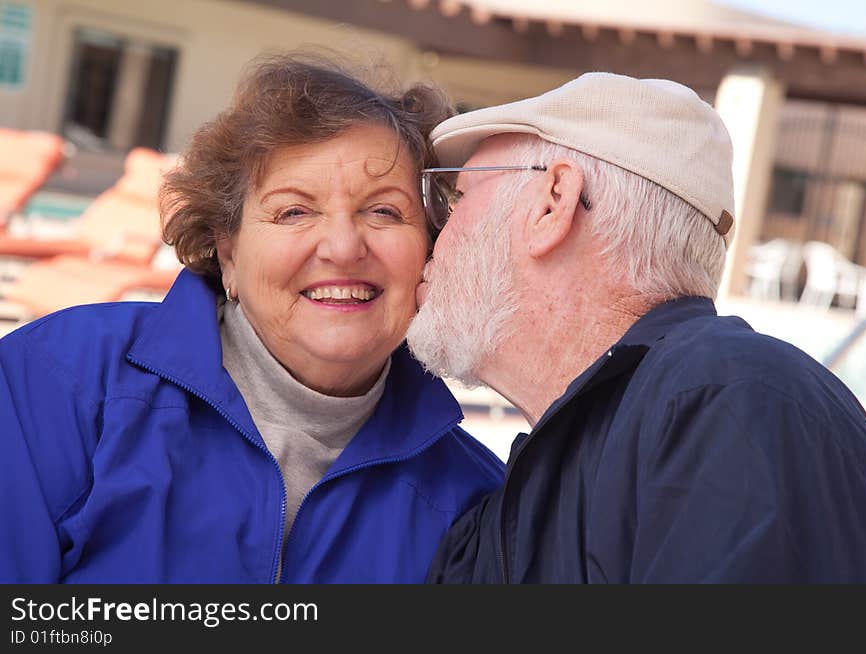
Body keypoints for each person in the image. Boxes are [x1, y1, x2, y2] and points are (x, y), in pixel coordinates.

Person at [0, 54, 503, 583]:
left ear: (430, 247)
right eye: (294, 211)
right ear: (229, 254)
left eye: (383, 211)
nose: (342, 247)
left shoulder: (475, 505)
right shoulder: (56, 382)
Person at [407, 72, 866, 583]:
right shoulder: (522, 495)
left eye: (455, 199)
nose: (435, 234)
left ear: (553, 203)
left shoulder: (727, 400)